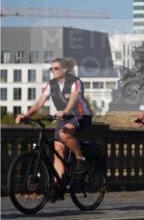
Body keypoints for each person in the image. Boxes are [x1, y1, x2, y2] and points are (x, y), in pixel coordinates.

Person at [16, 57, 94, 194]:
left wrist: (65, 111)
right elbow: (39, 103)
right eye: (51, 68)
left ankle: (81, 159)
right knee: (58, 148)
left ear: (64, 69)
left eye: (56, 68)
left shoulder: (75, 82)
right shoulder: (50, 84)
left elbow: (73, 99)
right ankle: (58, 186)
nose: (53, 71)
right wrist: (26, 115)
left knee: (64, 134)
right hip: (64, 117)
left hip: (80, 115)